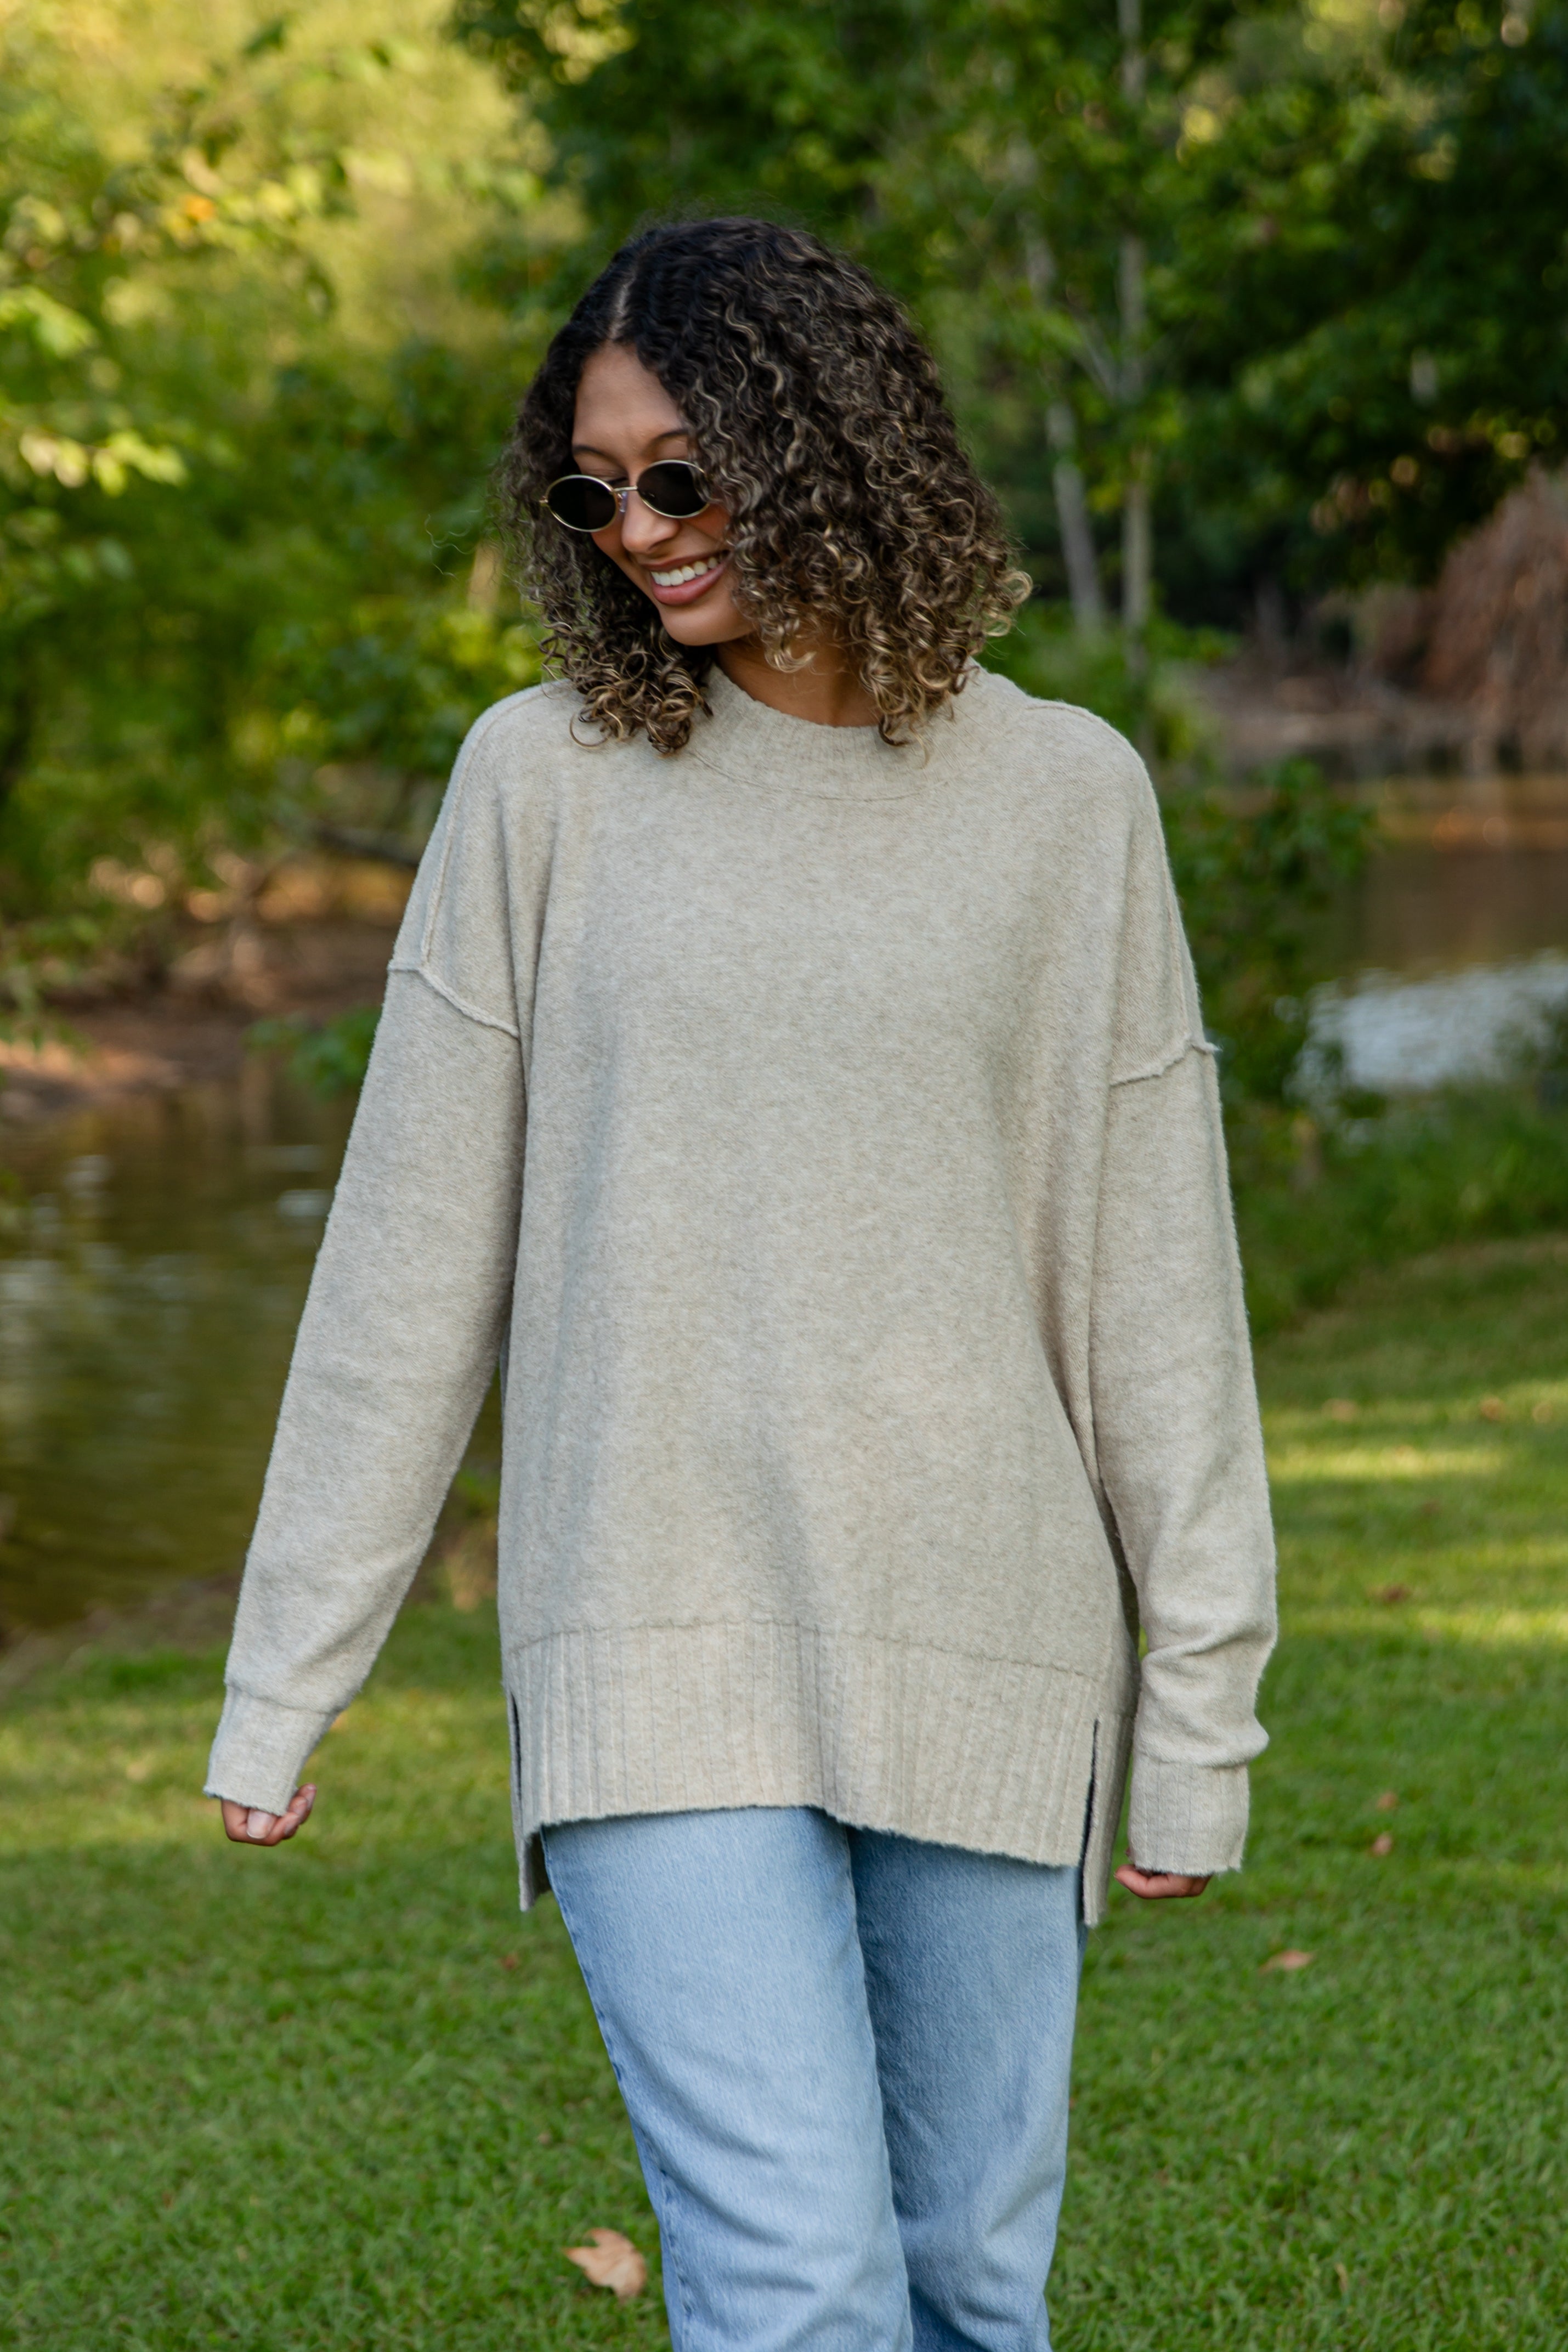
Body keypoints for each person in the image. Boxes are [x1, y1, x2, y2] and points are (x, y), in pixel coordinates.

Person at [206, 217, 1276, 2352]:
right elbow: (412, 1252)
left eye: (678, 475)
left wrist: (1200, 1713)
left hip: (986, 1636)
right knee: (794, 2288)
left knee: (972, 2282)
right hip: (650, 1631)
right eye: (592, 490)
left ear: (826, 444)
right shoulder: (545, 787)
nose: (634, 531)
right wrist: (284, 1664)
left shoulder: (1067, 801)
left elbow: (1152, 1280)